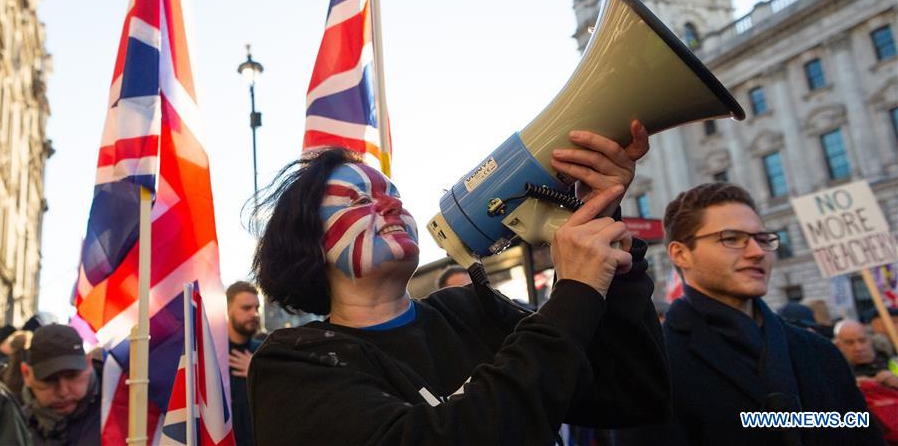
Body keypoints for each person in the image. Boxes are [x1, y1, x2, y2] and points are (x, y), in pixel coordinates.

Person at [248, 125, 671, 445]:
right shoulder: (294, 364)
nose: (392, 203)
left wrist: (602, 235)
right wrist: (574, 294)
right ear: (309, 243)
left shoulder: (468, 310)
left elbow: (631, 393)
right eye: (359, 200)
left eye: (393, 194)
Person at [659, 182, 881, 445]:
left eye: (762, 239)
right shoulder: (656, 361)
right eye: (731, 239)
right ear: (681, 254)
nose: (757, 252)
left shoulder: (821, 352)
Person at [20, 324, 99, 445]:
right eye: (49, 379)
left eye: (71, 375)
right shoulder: (11, 425)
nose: (63, 392)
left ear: (88, 363)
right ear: (26, 374)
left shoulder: (115, 413)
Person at [227, 281, 262, 446]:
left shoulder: (264, 352)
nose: (254, 314)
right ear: (228, 310)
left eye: (257, 308)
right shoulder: (213, 353)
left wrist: (257, 371)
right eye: (246, 308)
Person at [835, 319, 898, 387]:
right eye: (849, 343)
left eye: (862, 340)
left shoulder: (891, 359)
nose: (858, 348)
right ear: (839, 346)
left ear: (870, 340)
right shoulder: (836, 371)